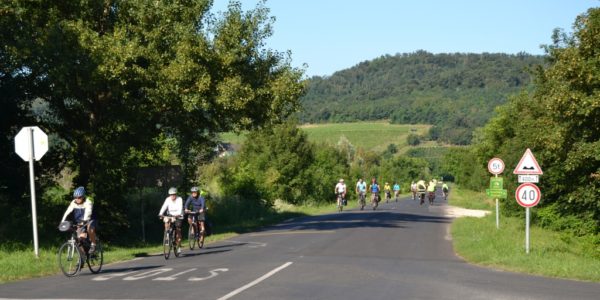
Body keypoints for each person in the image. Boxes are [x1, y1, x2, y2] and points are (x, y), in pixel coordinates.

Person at [61, 186, 98, 254]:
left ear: (83, 196)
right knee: (79, 238)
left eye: (79, 197)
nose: (77, 199)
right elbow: (67, 211)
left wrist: (83, 222)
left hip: (91, 218)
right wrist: (62, 222)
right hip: (80, 220)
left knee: (90, 228)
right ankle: (82, 257)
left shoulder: (88, 202)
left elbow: (88, 213)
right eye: (75, 197)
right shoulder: (73, 202)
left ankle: (93, 244)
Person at [158, 187, 184, 254]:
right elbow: (164, 207)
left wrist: (177, 215)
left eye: (173, 194)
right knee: (166, 222)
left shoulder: (179, 199)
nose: (172, 196)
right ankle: (167, 237)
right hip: (170, 215)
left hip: (178, 215)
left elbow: (180, 208)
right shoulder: (168, 199)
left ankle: (178, 245)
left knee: (178, 229)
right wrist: (160, 214)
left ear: (176, 194)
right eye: (171, 194)